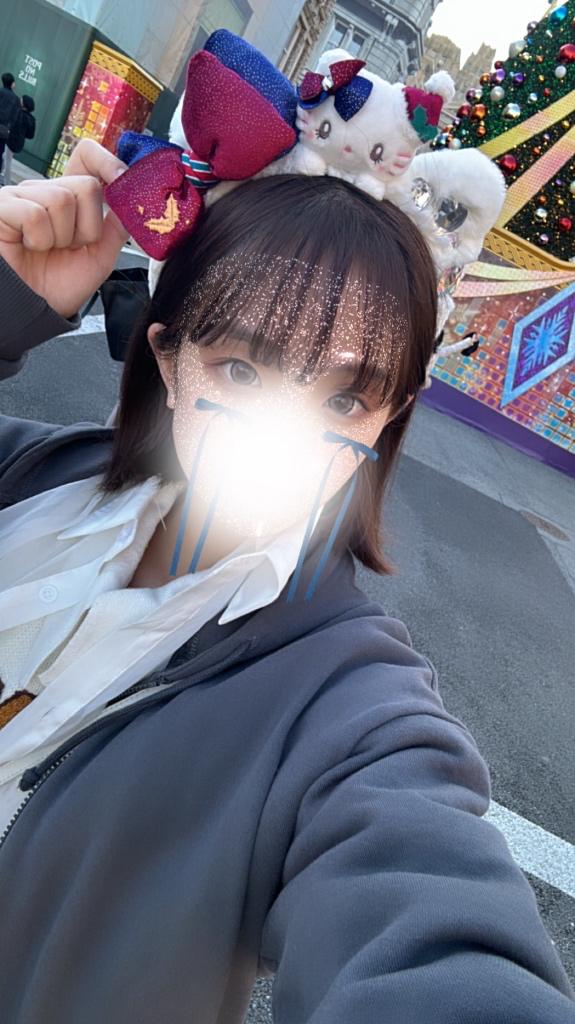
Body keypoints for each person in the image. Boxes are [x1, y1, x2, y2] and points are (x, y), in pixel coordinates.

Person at [0, 30, 574, 1024]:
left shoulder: (347, 710)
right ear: (167, 357)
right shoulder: (22, 477)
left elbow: (424, 916)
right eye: (239, 368)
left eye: (345, 398)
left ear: (386, 420)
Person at [2, 93, 35, 187]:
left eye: (22, 99)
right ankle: (5, 180)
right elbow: (30, 135)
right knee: (6, 158)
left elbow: (11, 124)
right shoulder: (31, 119)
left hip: (10, 138)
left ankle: (7, 183)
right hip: (19, 142)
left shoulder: (18, 113)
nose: (20, 100)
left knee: (7, 160)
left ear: (24, 103)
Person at [0, 72, 21, 182]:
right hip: (4, 130)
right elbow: (15, 117)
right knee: (0, 151)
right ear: (12, 83)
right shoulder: (16, 99)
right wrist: (9, 127)